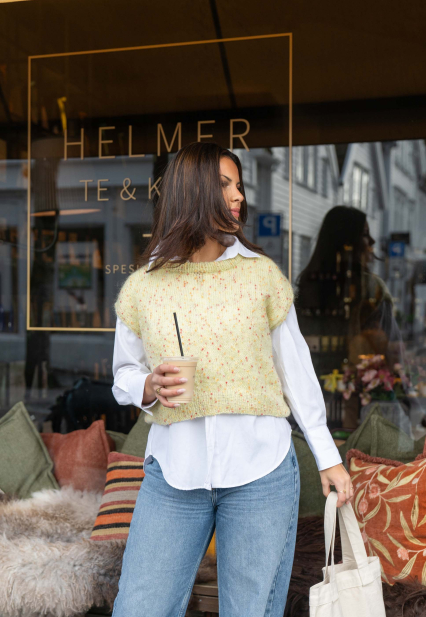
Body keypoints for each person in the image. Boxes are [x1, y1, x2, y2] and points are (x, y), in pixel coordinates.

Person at [111, 142, 351, 617]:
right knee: (139, 607)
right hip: (174, 474)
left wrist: (327, 457)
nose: (238, 195)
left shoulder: (260, 276)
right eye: (224, 184)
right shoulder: (145, 285)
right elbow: (124, 373)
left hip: (260, 472)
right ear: (192, 191)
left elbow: (296, 371)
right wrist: (149, 386)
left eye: (239, 185)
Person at [296, 205, 406, 428]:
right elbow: (391, 354)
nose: (371, 241)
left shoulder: (306, 289)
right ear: (348, 243)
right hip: (355, 408)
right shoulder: (372, 290)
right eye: (365, 234)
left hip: (308, 409)